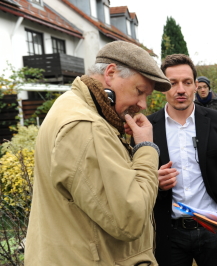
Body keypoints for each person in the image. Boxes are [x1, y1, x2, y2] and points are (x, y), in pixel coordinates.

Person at [25, 41, 171, 266]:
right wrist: (145, 149)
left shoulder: (71, 105)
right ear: (111, 73)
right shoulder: (87, 126)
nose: (142, 104)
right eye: (140, 91)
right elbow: (129, 220)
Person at [148, 54, 217, 266]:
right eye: (172, 83)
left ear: (196, 85)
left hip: (214, 230)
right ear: (162, 87)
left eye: (187, 82)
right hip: (170, 233)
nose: (181, 90)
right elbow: (135, 179)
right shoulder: (148, 128)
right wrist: (154, 183)